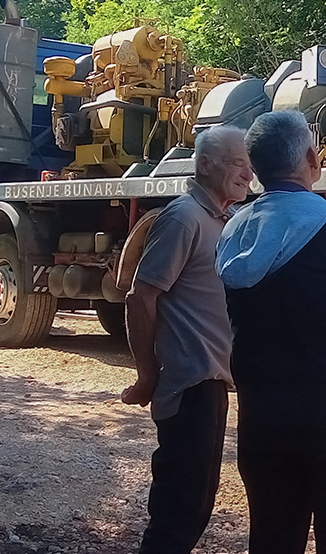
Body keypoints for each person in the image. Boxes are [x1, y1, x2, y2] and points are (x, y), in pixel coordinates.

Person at [216, 110, 326, 554]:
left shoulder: (234, 229)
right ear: (314, 160)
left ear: (255, 169)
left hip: (263, 421)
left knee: (272, 539)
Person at [121, 125, 253, 554]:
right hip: (190, 383)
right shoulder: (183, 218)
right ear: (204, 165)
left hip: (212, 382)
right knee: (180, 509)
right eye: (238, 163)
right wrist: (146, 375)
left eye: (249, 165)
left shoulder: (222, 219)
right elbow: (141, 297)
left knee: (197, 504)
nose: (247, 174)